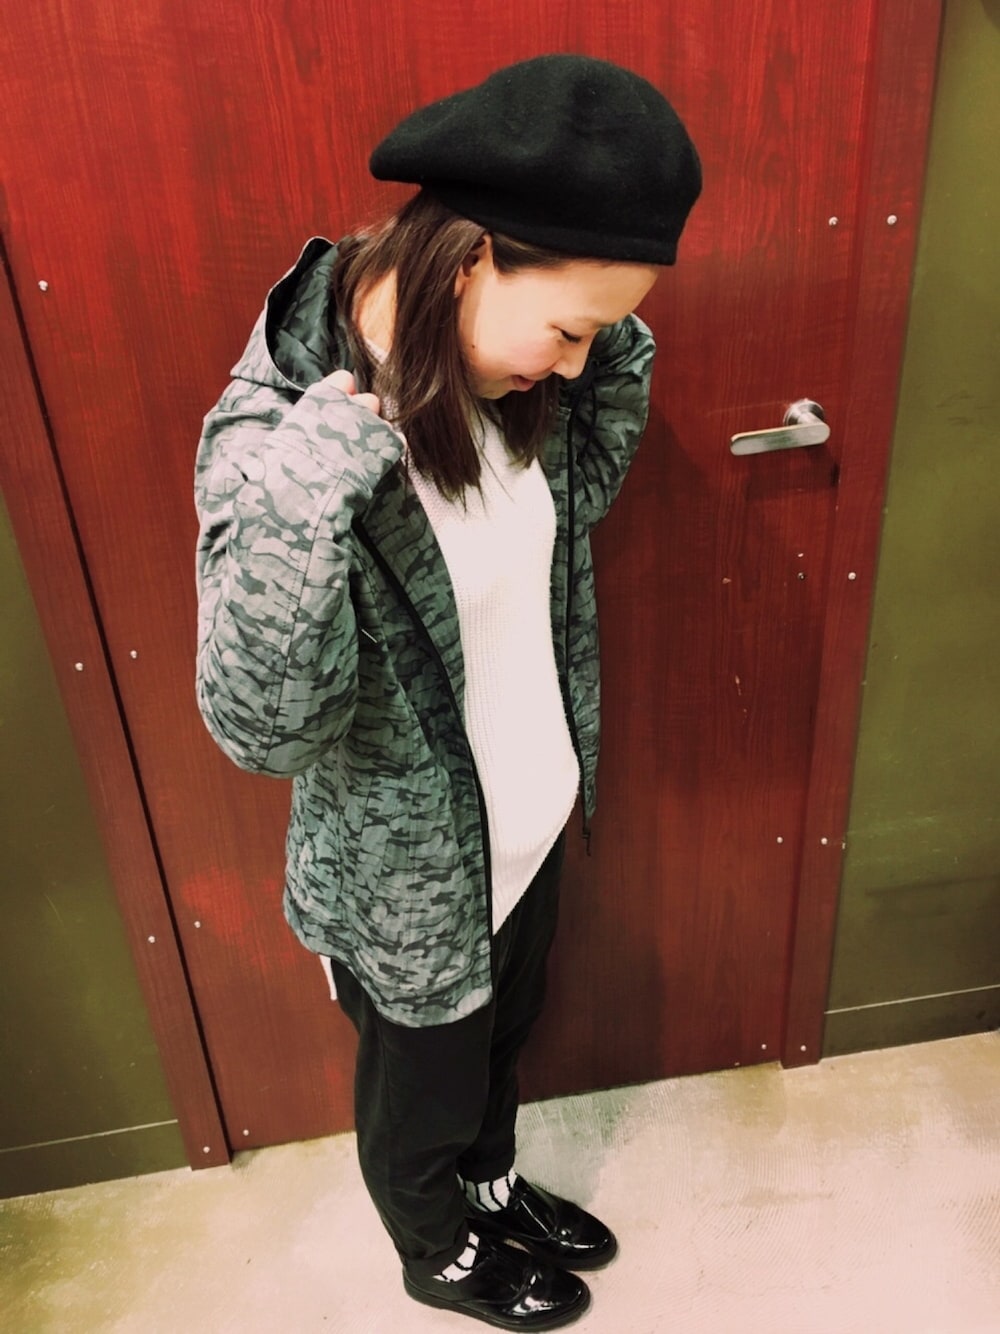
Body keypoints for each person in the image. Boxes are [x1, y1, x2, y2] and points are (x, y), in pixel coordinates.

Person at [195, 53, 700, 1330]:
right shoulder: (279, 442)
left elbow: (583, 488)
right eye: (568, 329)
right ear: (470, 259)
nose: (578, 365)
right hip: (409, 877)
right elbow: (262, 729)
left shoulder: (512, 390)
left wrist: (595, 333)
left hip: (529, 822)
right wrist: (311, 486)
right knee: (419, 1090)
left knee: (501, 1045)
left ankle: (492, 1187)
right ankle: (437, 1246)